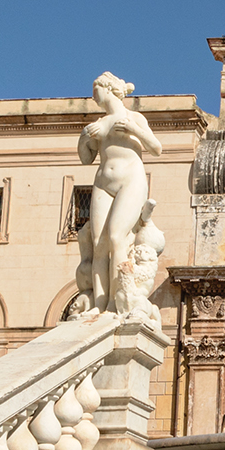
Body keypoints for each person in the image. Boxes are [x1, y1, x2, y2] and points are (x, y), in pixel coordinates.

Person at [75, 71, 163, 319]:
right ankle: (98, 305)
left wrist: (136, 129)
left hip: (130, 181)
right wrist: (84, 138)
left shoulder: (134, 117)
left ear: (109, 89)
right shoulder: (99, 123)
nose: (94, 96)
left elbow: (156, 148)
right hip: (103, 181)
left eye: (96, 90)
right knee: (98, 243)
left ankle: (117, 301)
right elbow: (86, 158)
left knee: (116, 237)